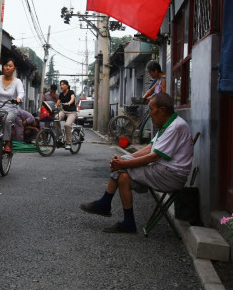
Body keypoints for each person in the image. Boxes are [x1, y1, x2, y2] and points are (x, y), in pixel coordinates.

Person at [80, 92, 193, 234]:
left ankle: (105, 203)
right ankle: (128, 222)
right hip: (161, 170)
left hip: (171, 175)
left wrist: (123, 164)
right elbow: (149, 148)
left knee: (123, 168)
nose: (150, 114)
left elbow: (153, 157)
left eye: (151, 109)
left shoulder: (175, 127)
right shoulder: (167, 124)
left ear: (162, 110)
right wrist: (124, 160)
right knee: (123, 175)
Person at [55, 80, 77, 151]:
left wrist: (69, 103)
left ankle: (69, 143)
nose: (62, 86)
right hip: (64, 111)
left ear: (67, 85)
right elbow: (57, 103)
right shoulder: (61, 94)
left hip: (72, 112)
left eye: (63, 84)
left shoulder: (71, 92)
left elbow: (72, 99)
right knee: (56, 118)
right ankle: (60, 134)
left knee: (67, 125)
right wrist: (53, 107)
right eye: (61, 84)